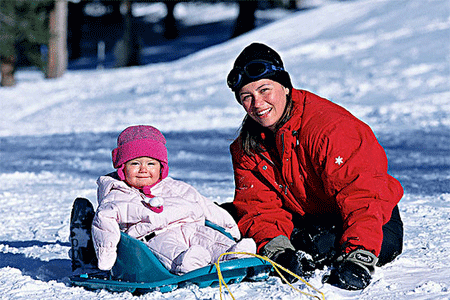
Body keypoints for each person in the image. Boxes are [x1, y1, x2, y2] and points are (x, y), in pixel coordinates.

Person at [224, 43, 404, 290]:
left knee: (340, 246)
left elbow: (362, 194)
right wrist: (278, 250)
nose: (258, 103)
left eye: (265, 90)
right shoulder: (247, 146)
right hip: (308, 216)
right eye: (247, 97)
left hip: (372, 217)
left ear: (286, 87)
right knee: (236, 224)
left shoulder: (330, 129)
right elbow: (258, 205)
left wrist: (359, 256)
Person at [91, 125, 256, 275]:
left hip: (190, 228)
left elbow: (204, 204)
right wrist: (106, 254)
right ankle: (188, 264)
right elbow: (104, 221)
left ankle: (233, 254)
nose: (143, 169)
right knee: (172, 251)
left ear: (161, 167)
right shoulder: (118, 194)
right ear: (122, 169)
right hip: (154, 237)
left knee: (210, 238)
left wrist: (230, 228)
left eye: (151, 163)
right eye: (135, 163)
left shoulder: (175, 187)